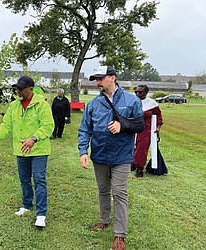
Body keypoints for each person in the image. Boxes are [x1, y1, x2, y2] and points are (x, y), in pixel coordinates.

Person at [78, 66, 145, 250]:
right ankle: (104, 221)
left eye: (101, 78)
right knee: (103, 190)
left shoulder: (131, 100)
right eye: (96, 79)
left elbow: (140, 125)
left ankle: (119, 235)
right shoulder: (92, 104)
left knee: (119, 192)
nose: (98, 82)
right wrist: (83, 151)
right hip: (99, 155)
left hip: (122, 156)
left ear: (113, 78)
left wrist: (122, 126)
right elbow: (85, 129)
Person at [0, 76, 54, 228]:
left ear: (31, 89)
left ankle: (41, 214)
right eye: (17, 88)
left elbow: (48, 126)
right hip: (21, 151)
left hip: (38, 150)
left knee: (39, 180)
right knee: (24, 179)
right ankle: (27, 205)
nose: (18, 91)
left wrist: (34, 138)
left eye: (21, 88)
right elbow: (6, 124)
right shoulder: (14, 106)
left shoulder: (42, 105)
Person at [132, 85, 163, 178]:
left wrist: (158, 127)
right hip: (132, 127)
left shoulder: (152, 104)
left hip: (146, 129)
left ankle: (139, 168)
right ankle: (131, 163)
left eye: (140, 92)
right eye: (136, 92)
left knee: (142, 149)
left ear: (146, 93)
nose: (138, 94)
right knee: (131, 147)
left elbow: (158, 115)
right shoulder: (132, 101)